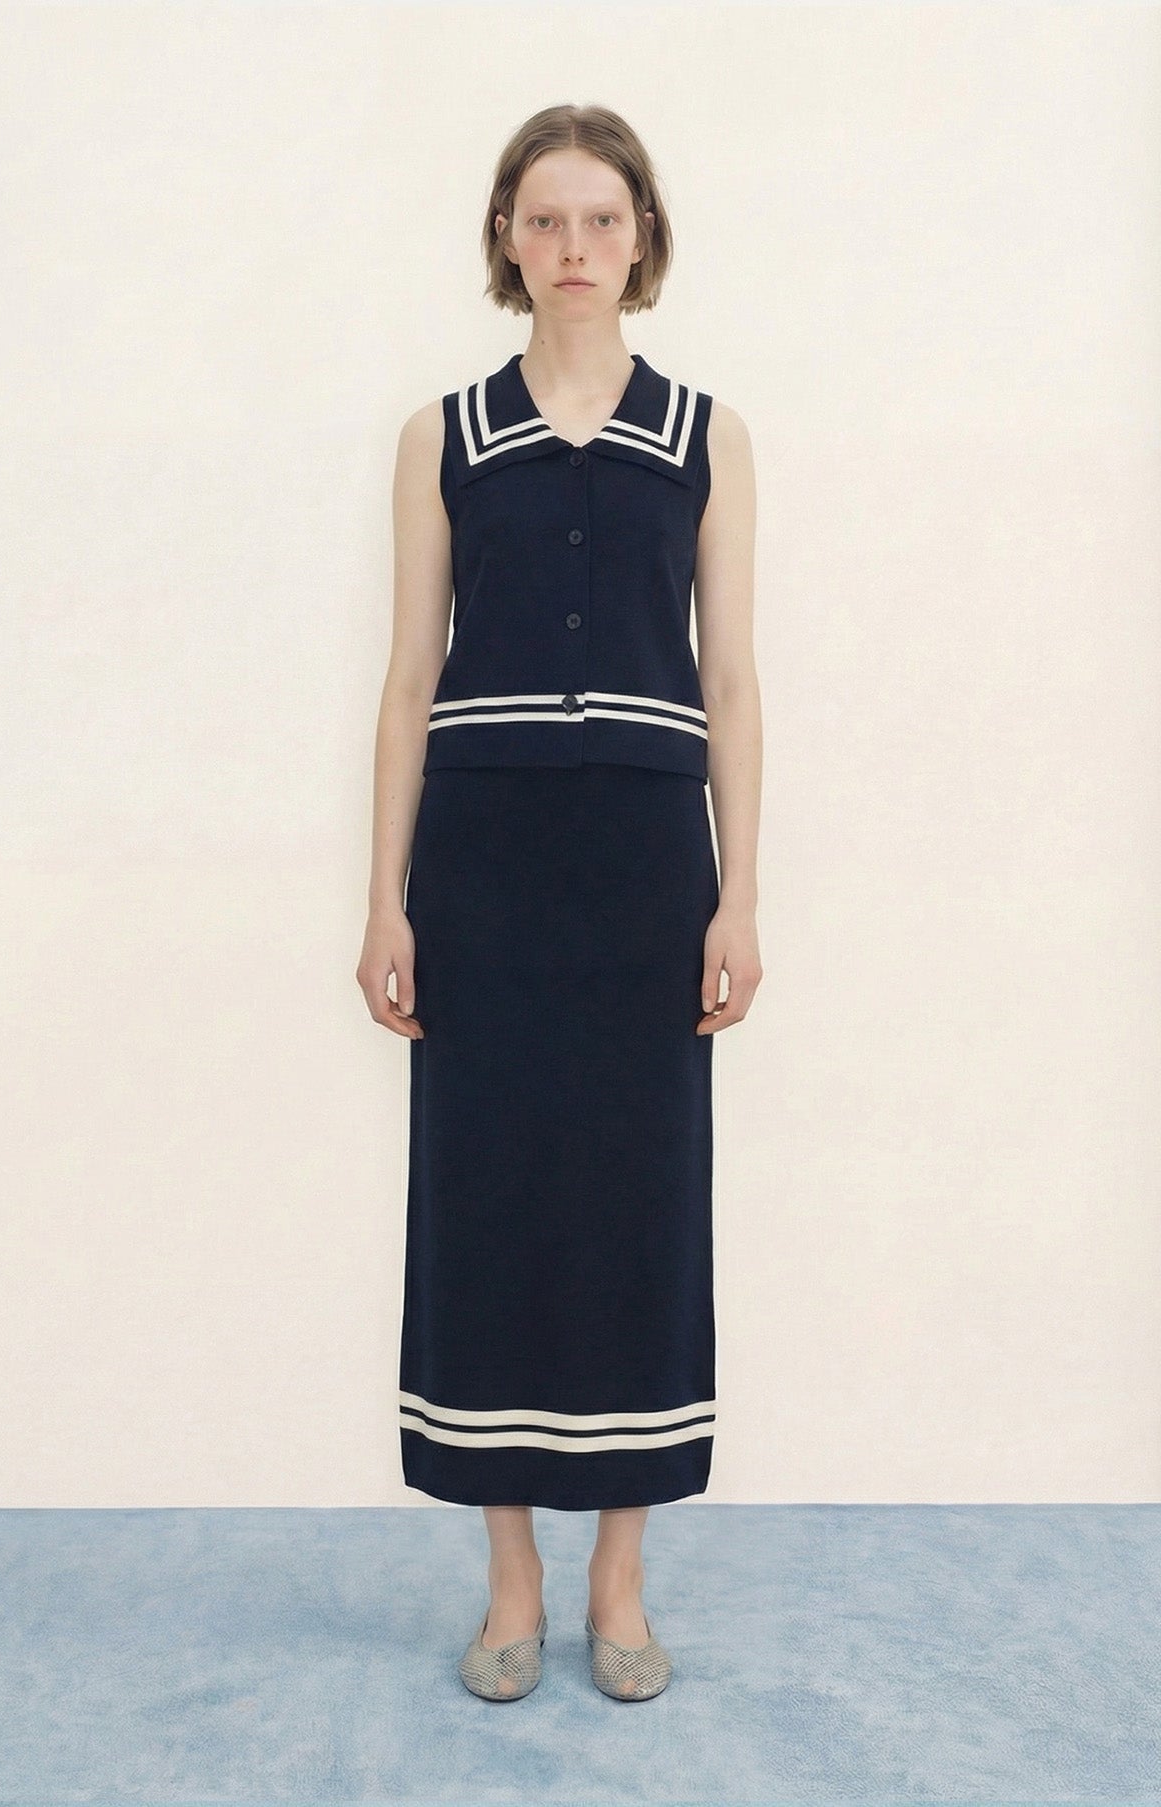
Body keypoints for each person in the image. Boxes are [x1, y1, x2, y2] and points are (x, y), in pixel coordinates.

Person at [356, 103, 763, 1701]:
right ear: (506, 240)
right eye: (545, 219)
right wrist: (386, 901)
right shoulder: (443, 436)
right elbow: (409, 679)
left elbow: (732, 680)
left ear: (642, 236)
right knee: (490, 1198)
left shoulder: (707, 436)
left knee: (642, 1202)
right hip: (485, 869)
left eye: (602, 218)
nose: (574, 246)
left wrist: (739, 897)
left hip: (651, 867)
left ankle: (621, 1583)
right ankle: (511, 1581)